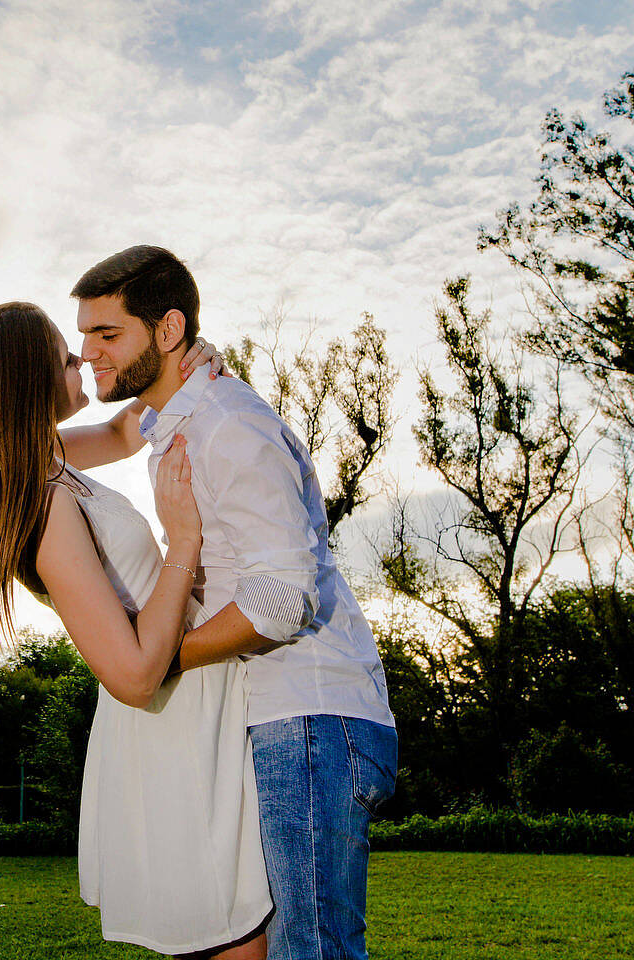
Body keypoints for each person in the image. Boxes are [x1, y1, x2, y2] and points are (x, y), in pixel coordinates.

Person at [0, 301, 272, 959]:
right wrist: (184, 537)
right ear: (24, 380)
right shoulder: (42, 508)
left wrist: (186, 368)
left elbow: (125, 431)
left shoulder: (48, 462)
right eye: (64, 356)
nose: (81, 360)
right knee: (239, 942)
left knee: (249, 936)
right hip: (173, 731)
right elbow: (133, 672)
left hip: (196, 711)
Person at [72, 246, 398, 960]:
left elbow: (282, 598)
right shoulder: (174, 422)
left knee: (311, 950)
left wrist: (155, 658)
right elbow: (89, 441)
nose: (88, 353)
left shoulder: (227, 425)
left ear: (166, 330)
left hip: (311, 713)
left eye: (106, 335)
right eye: (83, 336)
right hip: (273, 716)